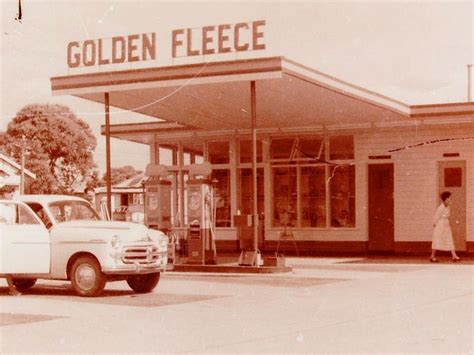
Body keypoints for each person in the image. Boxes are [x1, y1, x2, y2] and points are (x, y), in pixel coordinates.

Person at [0, 185, 21, 295]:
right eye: (9, 193)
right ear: (3, 194)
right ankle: (12, 289)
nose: (11, 195)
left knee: (8, 263)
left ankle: (11, 289)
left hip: (8, 237)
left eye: (12, 192)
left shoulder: (12, 206)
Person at [430, 191, 460, 263]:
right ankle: (432, 256)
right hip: (440, 225)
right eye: (449, 198)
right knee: (437, 239)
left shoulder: (448, 207)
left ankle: (454, 255)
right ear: (446, 199)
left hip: (446, 224)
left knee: (449, 238)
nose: (450, 199)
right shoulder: (441, 207)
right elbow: (436, 216)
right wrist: (435, 224)